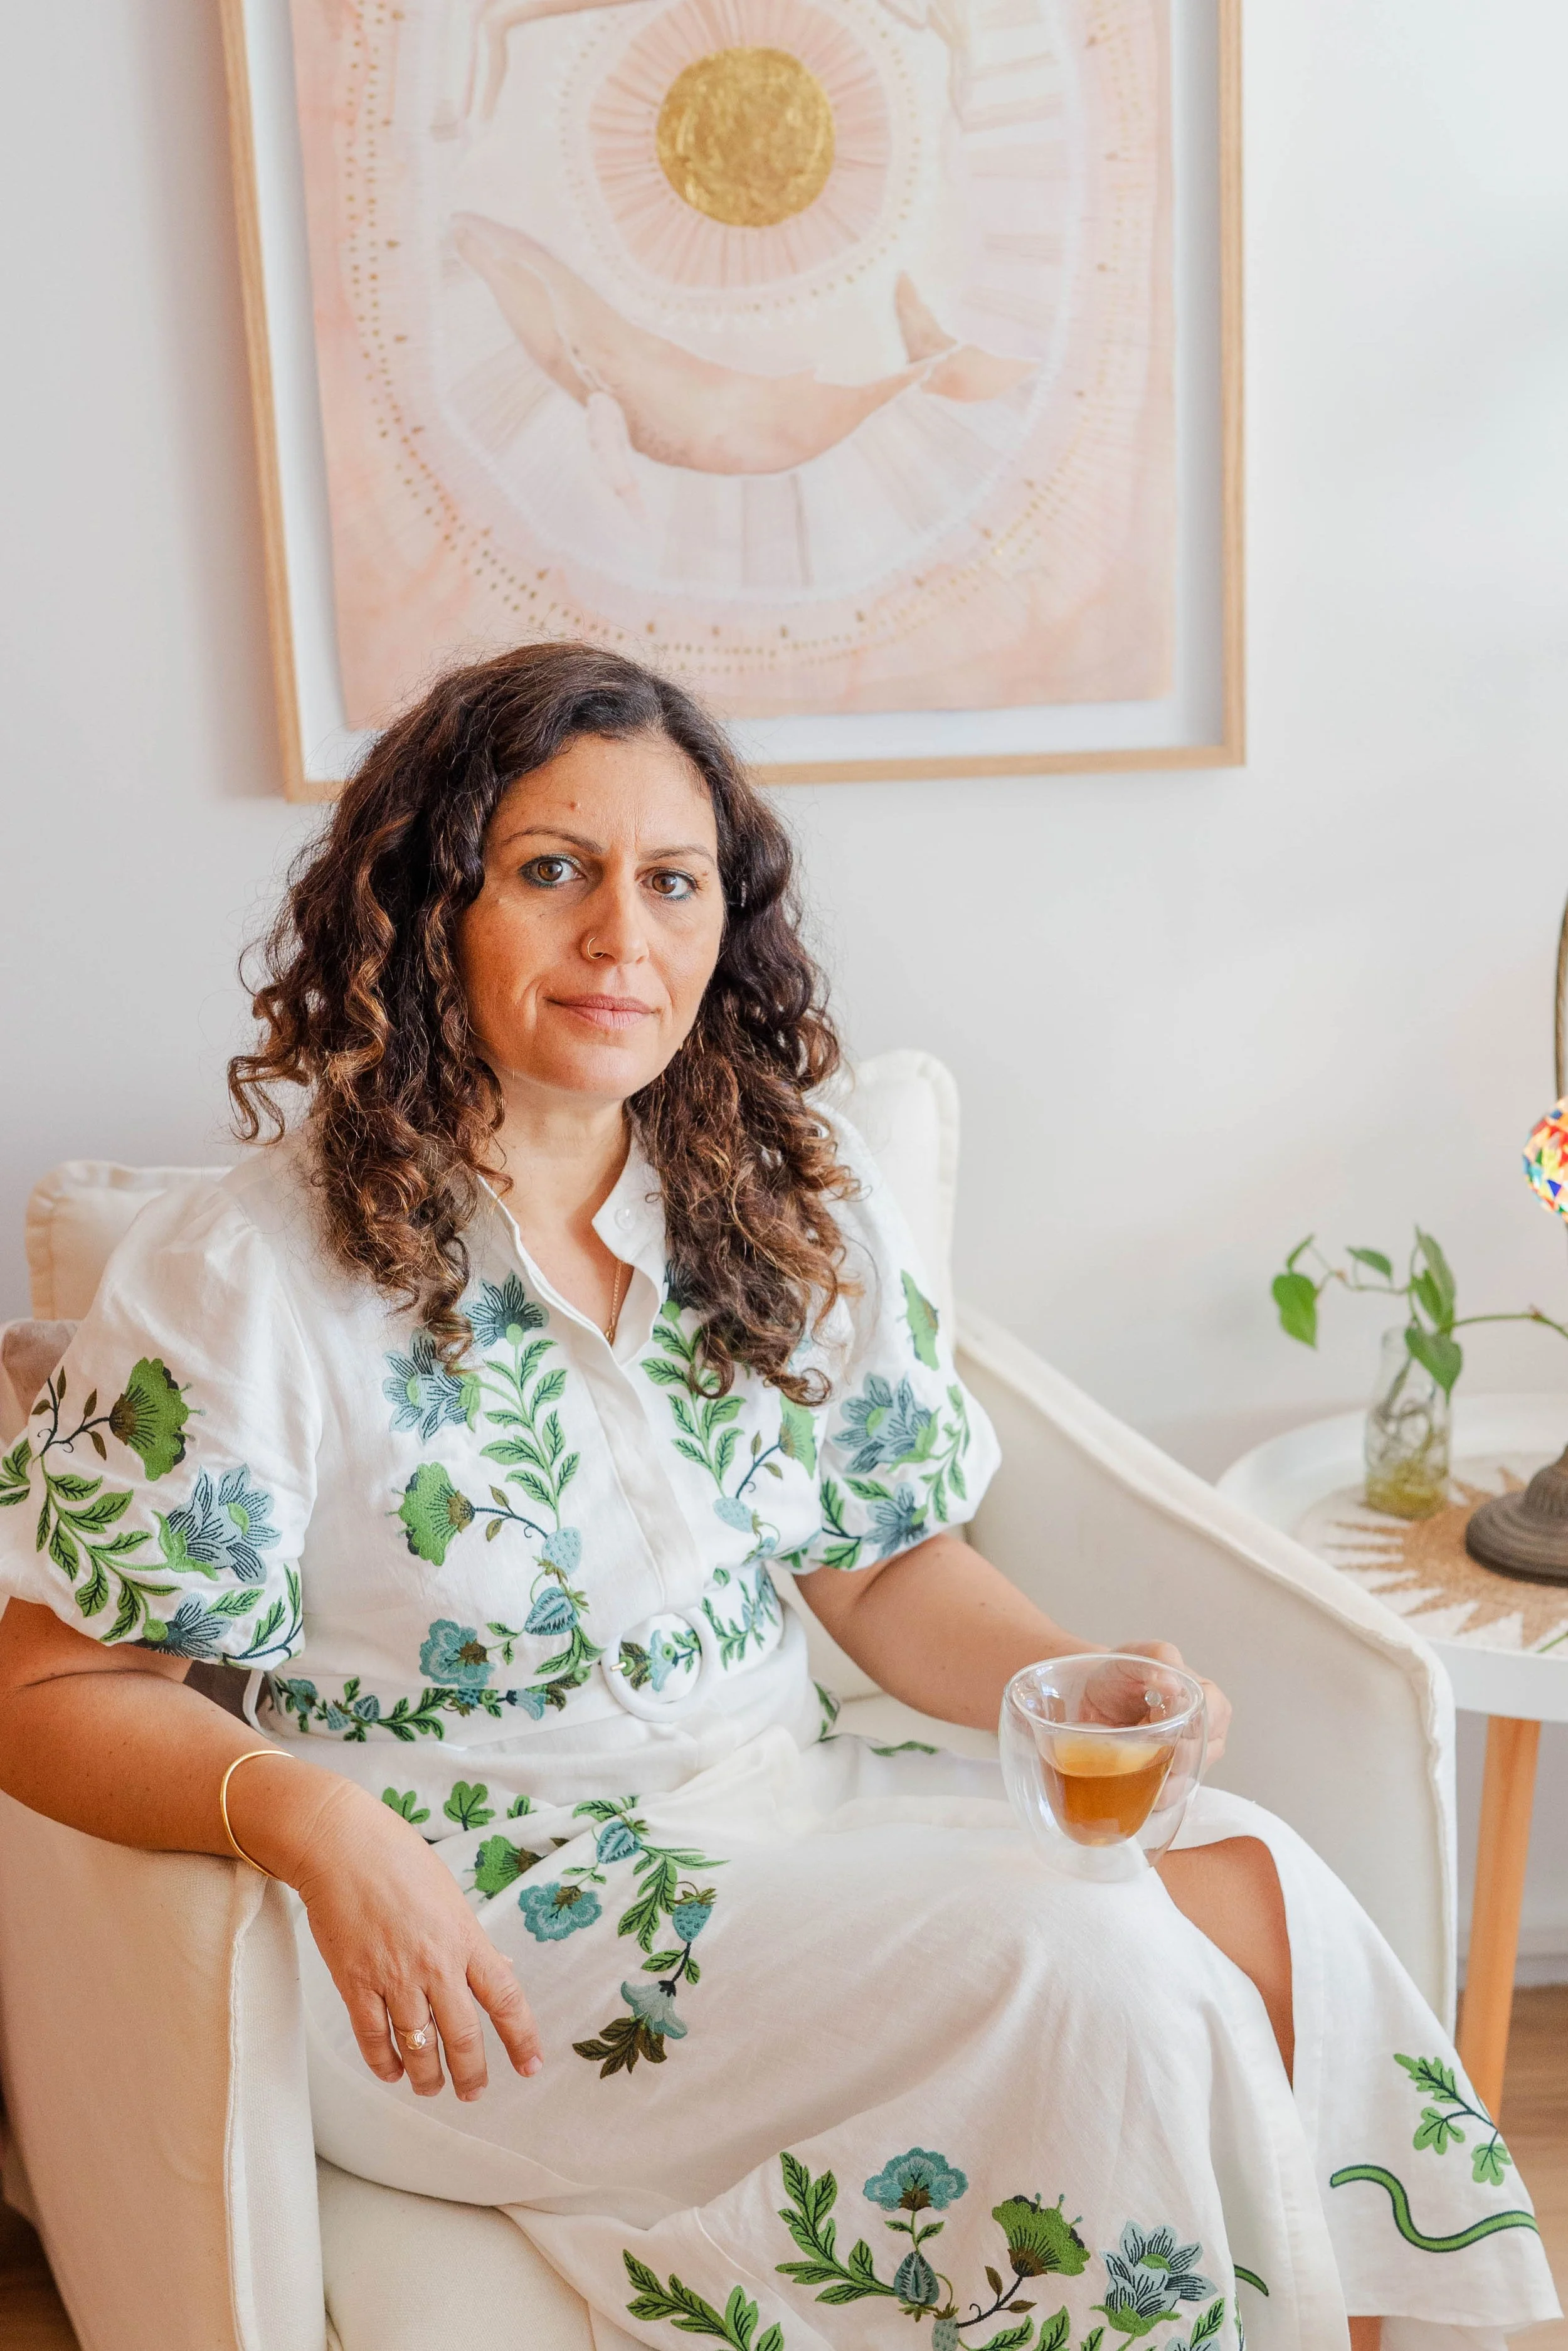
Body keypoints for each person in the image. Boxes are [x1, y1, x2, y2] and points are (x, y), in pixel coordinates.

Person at [0, 645, 1552, 2351]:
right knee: (1091, 1961)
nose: (622, 937)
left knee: (1253, 1880)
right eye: (550, 871)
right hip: (470, 1919)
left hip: (787, 1800)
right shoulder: (243, 1272)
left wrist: (1071, 1672)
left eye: (671, 881)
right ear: (424, 901)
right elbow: (56, 1692)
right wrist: (310, 1819)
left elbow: (880, 1572)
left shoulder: (782, 1187)